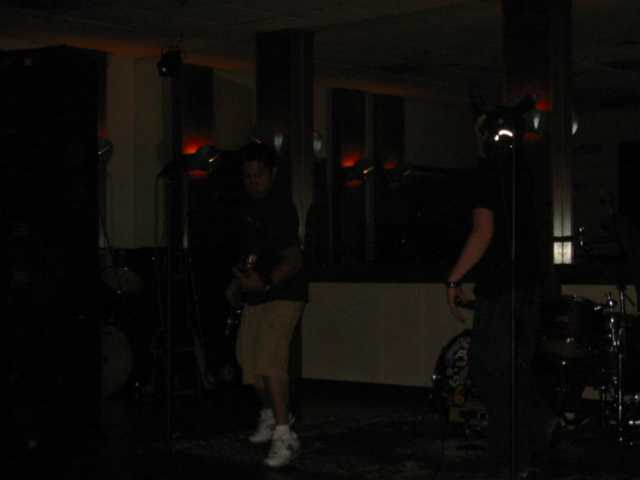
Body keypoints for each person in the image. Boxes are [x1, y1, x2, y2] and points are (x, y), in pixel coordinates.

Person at [445, 115, 558, 479]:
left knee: (491, 371)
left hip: (502, 289)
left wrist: (453, 280)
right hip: (527, 285)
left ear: (485, 136)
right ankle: (528, 438)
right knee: (510, 371)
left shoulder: (488, 173)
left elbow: (483, 232)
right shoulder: (524, 173)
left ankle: (511, 454)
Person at [227, 140, 308, 468]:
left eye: (258, 175)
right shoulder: (248, 208)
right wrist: (238, 283)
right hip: (257, 295)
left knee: (270, 362)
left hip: (284, 293)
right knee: (248, 364)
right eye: (248, 176)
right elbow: (252, 254)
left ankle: (286, 436)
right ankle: (272, 413)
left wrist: (268, 281)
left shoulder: (280, 207)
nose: (253, 181)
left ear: (271, 173)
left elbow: (294, 259)